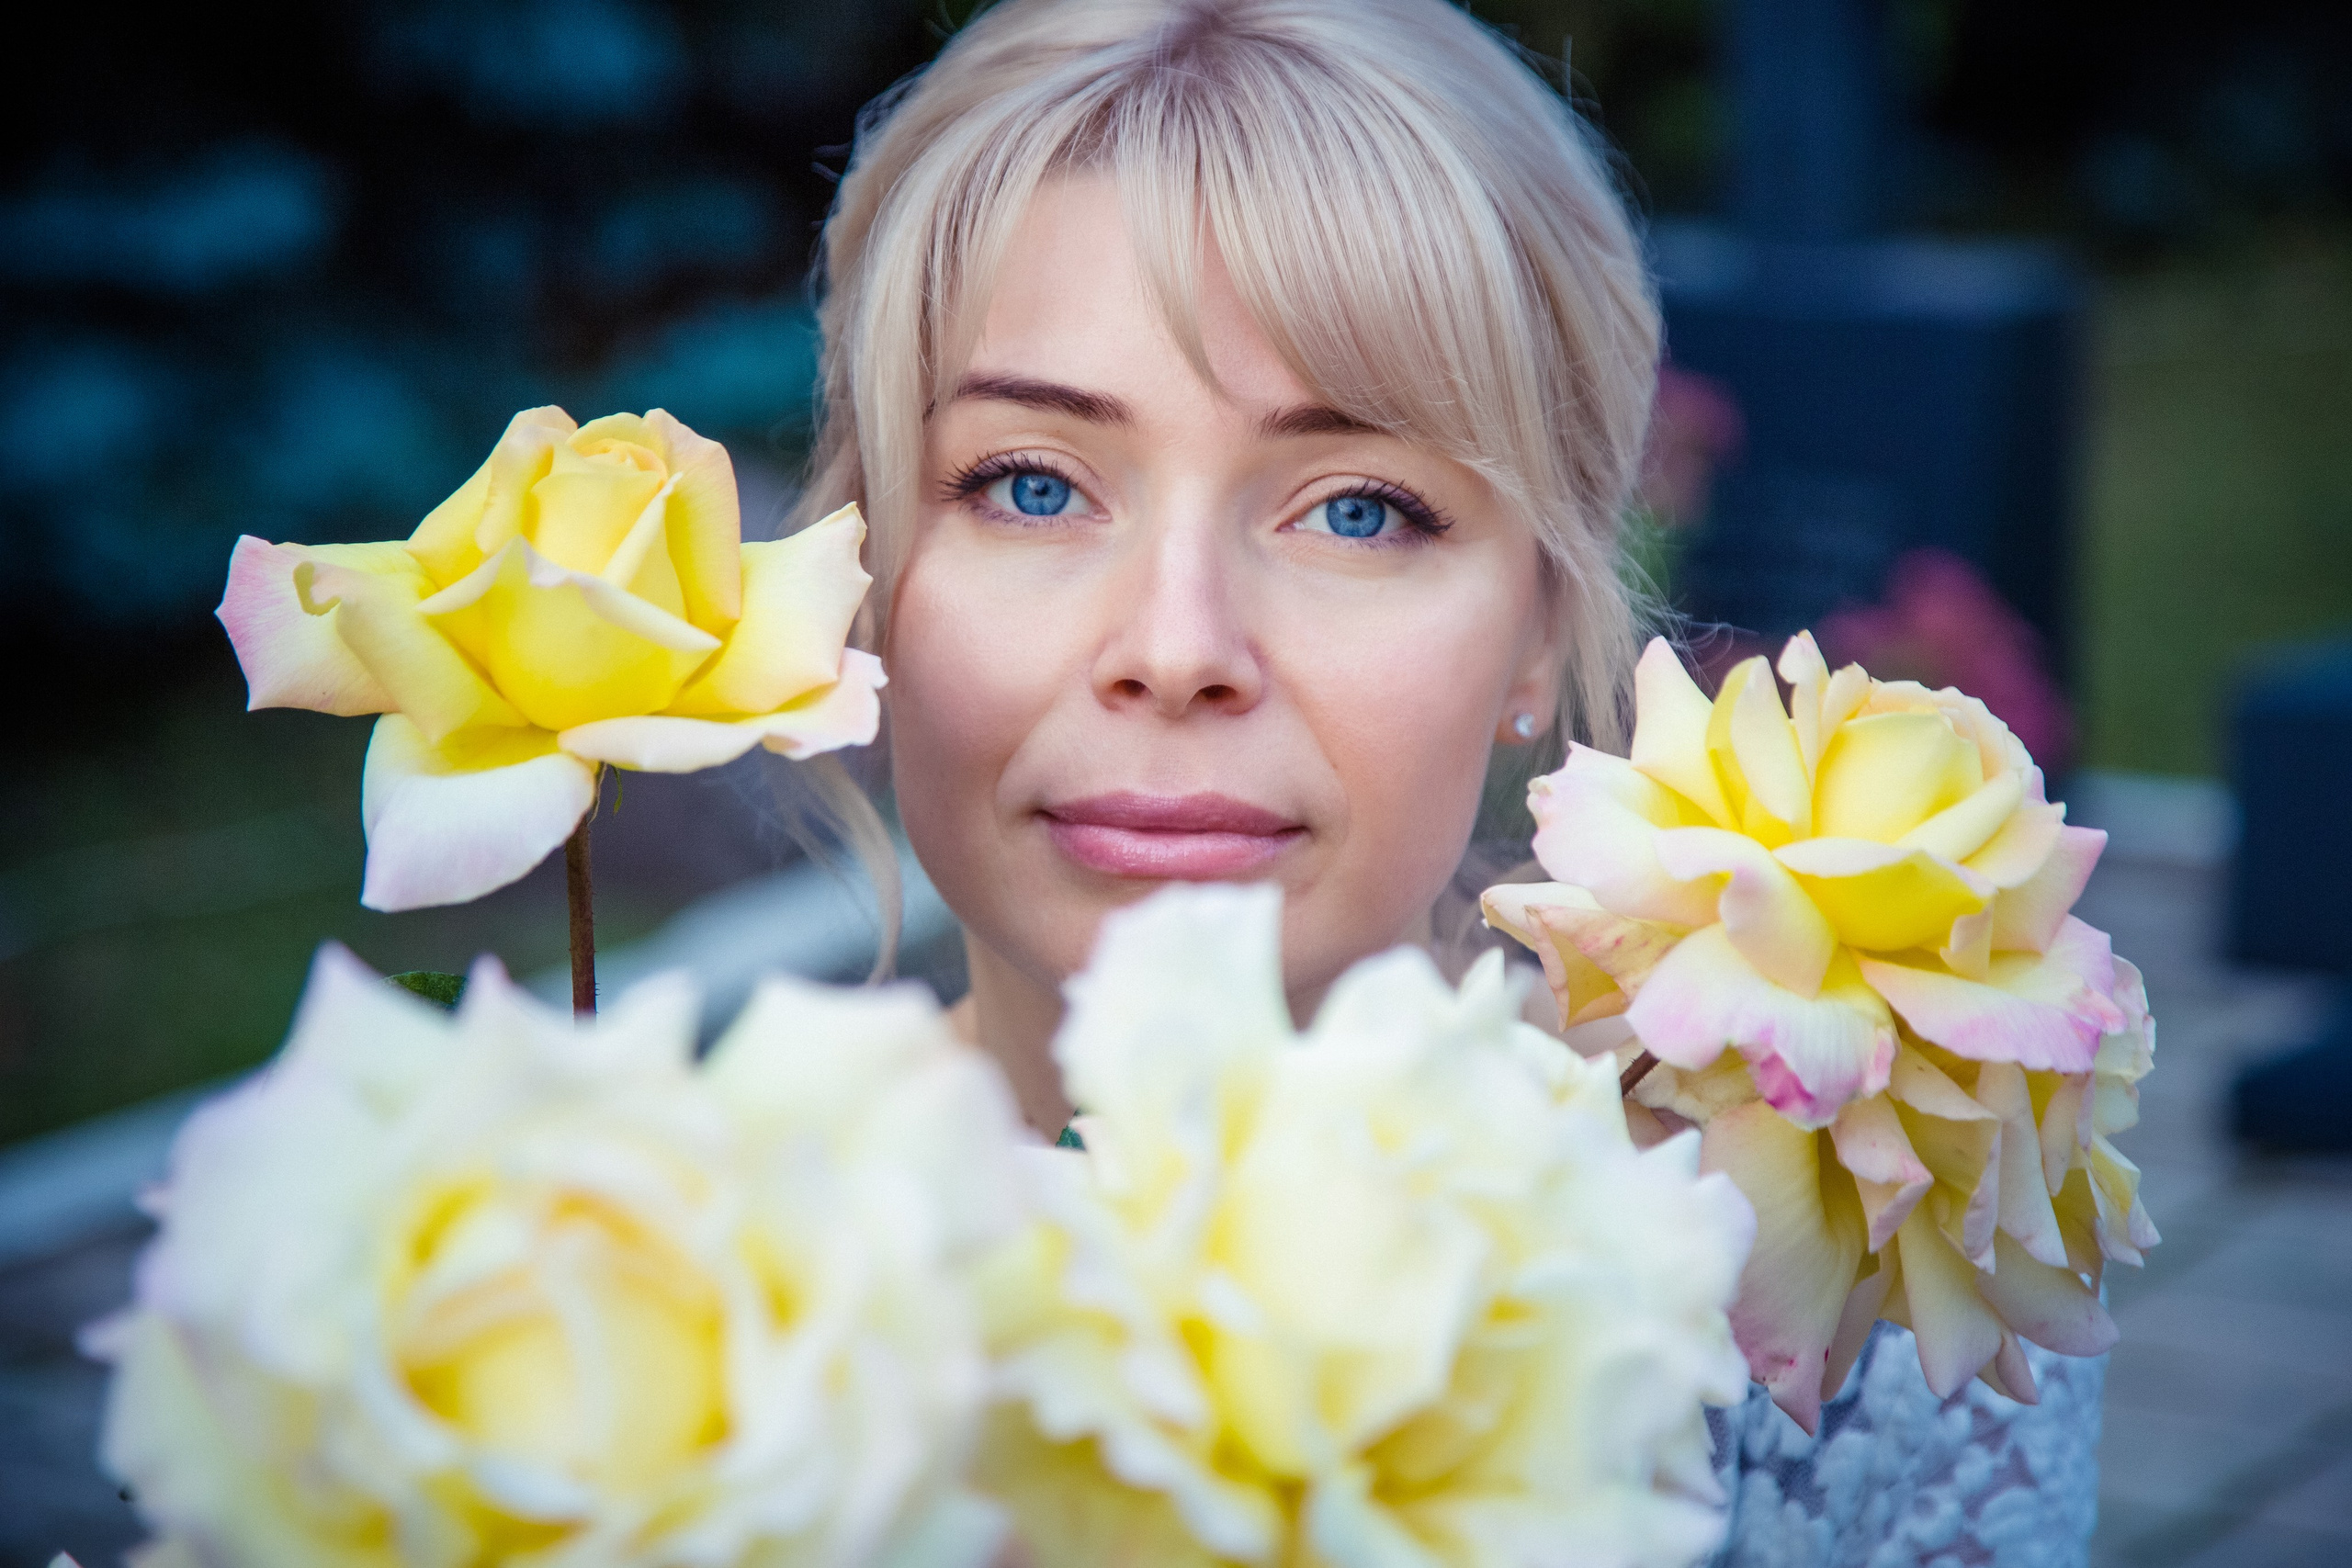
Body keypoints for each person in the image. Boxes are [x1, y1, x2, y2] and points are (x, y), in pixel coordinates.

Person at [790, 1, 2105, 1562]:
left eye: (1358, 510)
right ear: (865, 575)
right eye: (1031, 484)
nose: (1178, 645)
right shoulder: (642, 1269)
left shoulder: (1824, 1298)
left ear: (1543, 625)